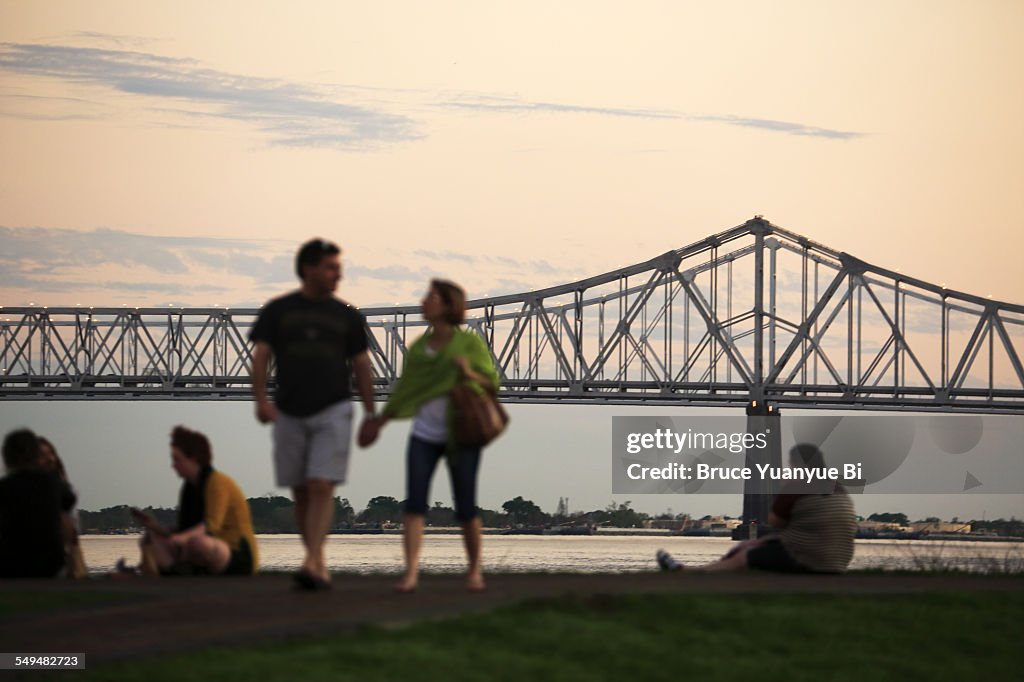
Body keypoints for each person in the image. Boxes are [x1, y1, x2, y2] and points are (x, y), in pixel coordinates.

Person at [249, 238, 376, 591]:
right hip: (289, 410)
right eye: (331, 267)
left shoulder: (347, 316)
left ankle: (311, 560)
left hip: (334, 408)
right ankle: (317, 561)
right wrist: (260, 400)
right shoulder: (279, 311)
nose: (339, 274)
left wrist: (370, 413)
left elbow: (362, 365)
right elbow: (261, 356)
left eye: (339, 267)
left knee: (322, 484)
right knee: (301, 491)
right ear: (309, 269)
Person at [359, 279, 500, 593]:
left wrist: (469, 374)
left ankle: (475, 571)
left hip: (461, 433)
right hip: (424, 434)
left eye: (432, 297)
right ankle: (410, 574)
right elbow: (407, 392)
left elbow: (491, 383)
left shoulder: (470, 345)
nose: (424, 301)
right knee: (414, 505)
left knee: (466, 507)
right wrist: (378, 422)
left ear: (449, 305)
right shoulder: (419, 348)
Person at [656, 444, 857, 574]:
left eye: (791, 464)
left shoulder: (798, 484)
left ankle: (690, 574)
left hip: (810, 560)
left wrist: (783, 490)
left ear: (797, 464)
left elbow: (775, 522)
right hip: (838, 561)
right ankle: (697, 571)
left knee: (744, 555)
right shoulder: (836, 485)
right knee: (747, 545)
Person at [135, 426, 258, 576]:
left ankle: (179, 569)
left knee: (197, 543)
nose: (173, 465)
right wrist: (154, 526)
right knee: (150, 537)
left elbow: (211, 526)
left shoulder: (217, 482)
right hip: (201, 544)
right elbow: (184, 529)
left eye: (177, 459)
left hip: (235, 552)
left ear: (193, 458)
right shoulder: (189, 488)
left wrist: (182, 538)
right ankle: (173, 572)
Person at [0, 429, 74, 578]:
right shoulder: (51, 482)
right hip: (52, 561)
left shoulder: (5, 486)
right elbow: (68, 500)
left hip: (12, 561)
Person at [37, 437, 88, 578]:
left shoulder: (65, 494)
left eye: (51, 454)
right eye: (43, 455)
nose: (50, 459)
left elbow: (72, 541)